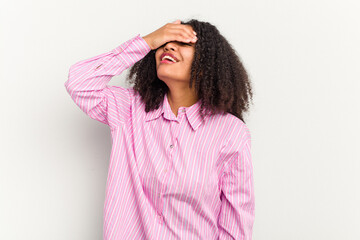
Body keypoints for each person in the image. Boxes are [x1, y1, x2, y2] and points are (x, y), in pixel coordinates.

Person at [65, 18, 255, 240]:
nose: (168, 46)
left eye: (183, 43)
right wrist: (147, 41)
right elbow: (79, 83)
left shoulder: (231, 133)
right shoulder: (128, 110)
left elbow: (236, 226)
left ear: (208, 64)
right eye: (164, 42)